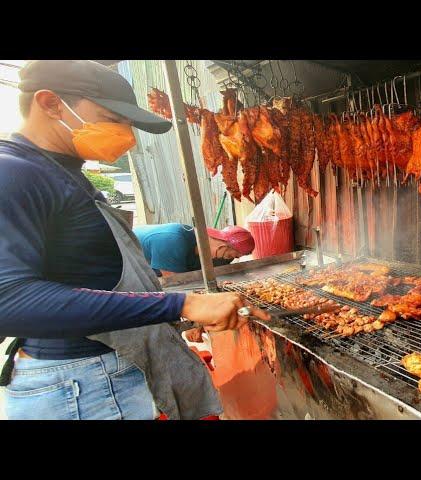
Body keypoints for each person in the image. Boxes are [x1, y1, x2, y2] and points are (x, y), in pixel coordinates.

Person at [0, 60, 269, 420]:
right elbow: (9, 302)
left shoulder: (61, 173)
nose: (127, 134)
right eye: (113, 118)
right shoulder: (14, 173)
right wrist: (180, 305)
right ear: (50, 104)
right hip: (79, 388)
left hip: (100, 378)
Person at [133, 223, 255, 277]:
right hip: (126, 261)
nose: (232, 258)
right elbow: (174, 283)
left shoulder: (217, 256)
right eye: (230, 256)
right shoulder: (173, 240)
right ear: (223, 246)